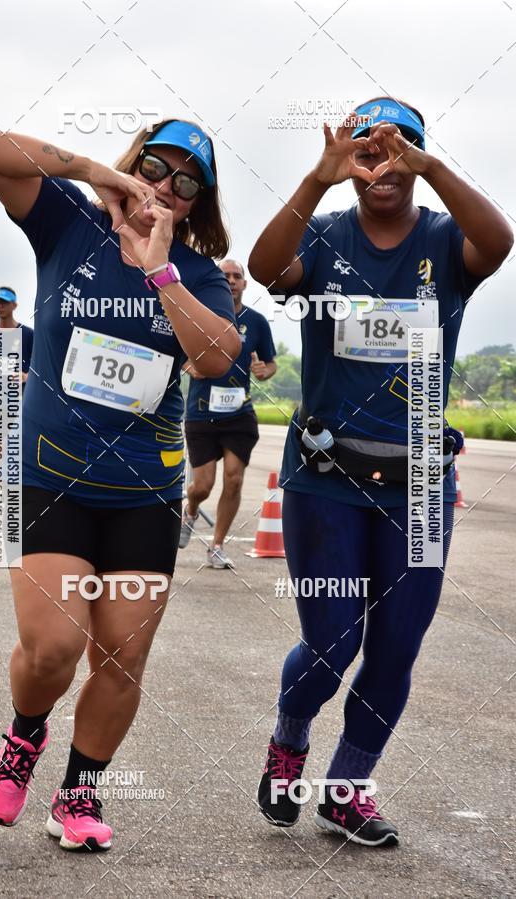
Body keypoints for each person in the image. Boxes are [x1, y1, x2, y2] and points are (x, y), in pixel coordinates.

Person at [248, 97, 513, 846]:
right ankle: (289, 739)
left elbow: (500, 241)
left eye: (401, 150)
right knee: (331, 645)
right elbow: (268, 268)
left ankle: (347, 787)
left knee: (396, 645)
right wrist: (318, 178)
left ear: (421, 160)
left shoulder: (446, 240)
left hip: (421, 487)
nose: (383, 162)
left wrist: (431, 168)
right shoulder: (325, 235)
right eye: (368, 148)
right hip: (326, 479)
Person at [0, 119, 240, 851]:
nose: (167, 185)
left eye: (187, 183)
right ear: (136, 164)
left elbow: (218, 358)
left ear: (196, 204)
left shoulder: (199, 271)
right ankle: (24, 735)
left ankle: (80, 791)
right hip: (47, 476)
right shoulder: (66, 222)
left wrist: (160, 270)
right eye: (157, 167)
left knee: (122, 655)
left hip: (144, 494)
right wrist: (102, 172)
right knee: (54, 647)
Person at [180, 259, 277, 567]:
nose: (232, 281)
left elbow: (270, 362)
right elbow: (178, 354)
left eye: (238, 276)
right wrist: (187, 365)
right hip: (201, 412)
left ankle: (217, 546)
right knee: (202, 486)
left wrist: (265, 370)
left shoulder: (257, 322)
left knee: (234, 480)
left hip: (239, 412)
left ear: (245, 284)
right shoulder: (199, 316)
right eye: (226, 276)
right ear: (218, 281)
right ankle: (191, 509)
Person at [0, 287, 34, 393]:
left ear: (14, 305)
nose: (0, 306)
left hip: (21, 394)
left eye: (4, 302)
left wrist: (25, 376)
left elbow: (39, 366)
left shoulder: (28, 334)